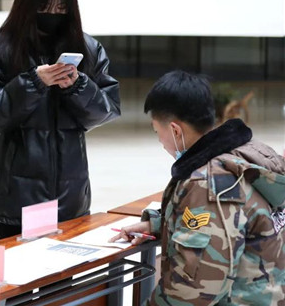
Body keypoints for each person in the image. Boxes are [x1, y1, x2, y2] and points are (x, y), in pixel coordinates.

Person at [0, 0, 121, 239]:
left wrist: (78, 86)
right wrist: (32, 83)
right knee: (18, 267)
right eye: (44, 8)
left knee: (66, 267)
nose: (52, 15)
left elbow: (106, 110)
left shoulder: (88, 48)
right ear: (27, 4)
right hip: (16, 199)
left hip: (70, 196)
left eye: (61, 8)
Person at [111, 70, 285, 305]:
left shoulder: (208, 183)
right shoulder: (243, 155)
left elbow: (194, 291)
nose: (160, 141)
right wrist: (158, 224)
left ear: (175, 130)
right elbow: (237, 221)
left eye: (157, 132)